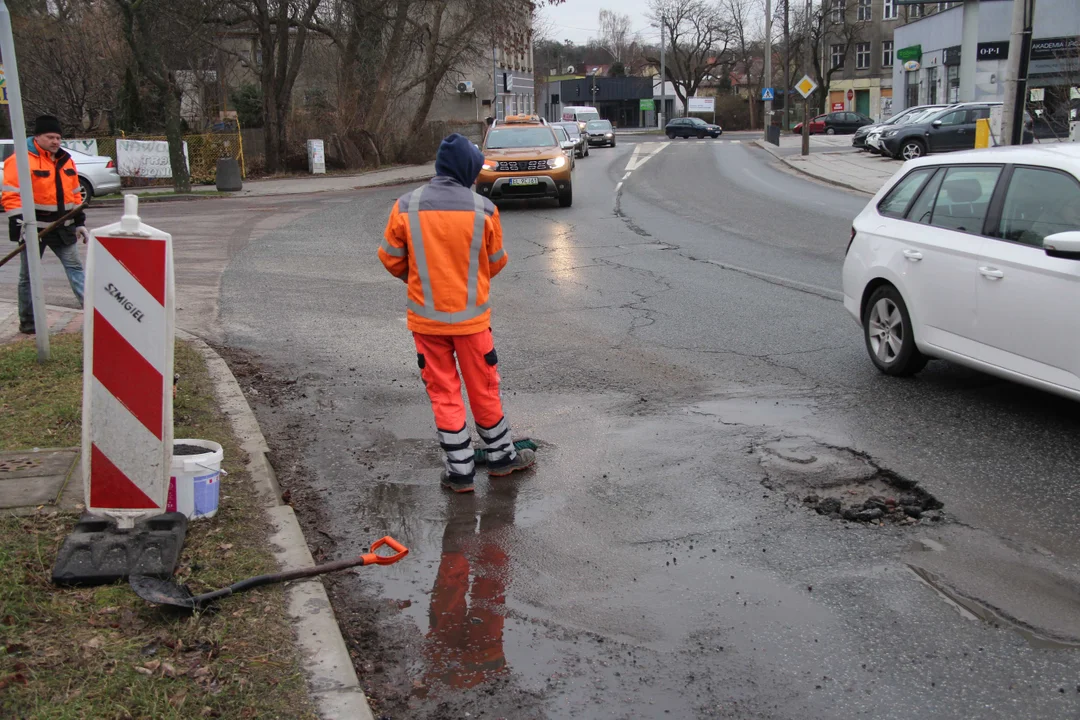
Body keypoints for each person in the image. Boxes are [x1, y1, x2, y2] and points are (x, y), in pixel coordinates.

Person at [379, 133, 535, 493]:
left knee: (444, 392)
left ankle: (460, 471)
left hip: (427, 321)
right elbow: (496, 262)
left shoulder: (405, 206)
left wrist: (416, 278)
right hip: (472, 322)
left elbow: (389, 257)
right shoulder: (484, 209)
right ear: (466, 170)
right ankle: (501, 459)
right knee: (484, 387)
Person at [2, 114, 88, 335]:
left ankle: (93, 312)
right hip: (33, 229)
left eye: (58, 137)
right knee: (28, 276)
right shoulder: (21, 159)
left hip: (62, 227)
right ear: (37, 137)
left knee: (76, 268)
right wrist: (21, 223)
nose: (56, 142)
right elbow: (11, 195)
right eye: (50, 137)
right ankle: (28, 321)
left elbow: (75, 194)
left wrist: (79, 222)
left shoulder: (66, 159)